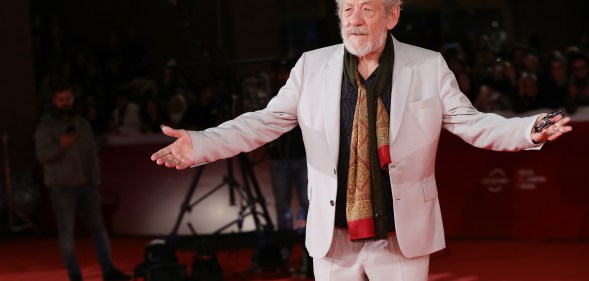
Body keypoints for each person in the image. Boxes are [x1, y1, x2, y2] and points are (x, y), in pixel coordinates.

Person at [150, 0, 573, 280]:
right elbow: (262, 123)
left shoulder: (428, 66)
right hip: (333, 238)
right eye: (347, 9)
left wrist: (526, 129)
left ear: (392, 16)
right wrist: (201, 143)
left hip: (401, 236)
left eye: (367, 9)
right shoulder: (311, 67)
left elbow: (472, 123)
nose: (354, 19)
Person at [34, 85, 130, 281]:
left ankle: (108, 271)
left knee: (99, 229)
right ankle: (75, 275)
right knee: (67, 233)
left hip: (87, 187)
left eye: (68, 98)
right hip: (62, 189)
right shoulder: (46, 127)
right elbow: (42, 156)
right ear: (53, 101)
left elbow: (92, 153)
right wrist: (60, 146)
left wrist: (94, 179)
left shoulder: (82, 124)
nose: (65, 102)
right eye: (61, 99)